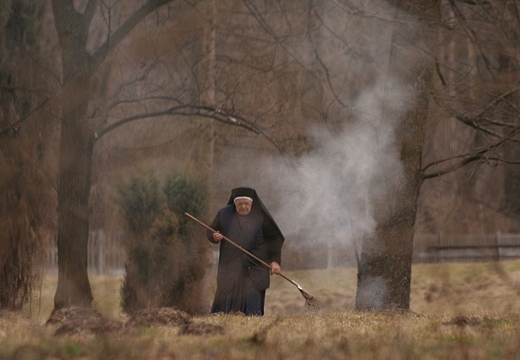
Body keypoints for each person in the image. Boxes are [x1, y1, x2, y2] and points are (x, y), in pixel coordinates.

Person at [207, 187, 285, 316]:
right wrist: (214, 236)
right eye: (239, 204)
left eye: (246, 204)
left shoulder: (261, 216)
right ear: (234, 204)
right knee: (226, 300)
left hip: (255, 266)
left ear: (252, 203)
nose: (243, 207)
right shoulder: (224, 214)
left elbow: (275, 238)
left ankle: (252, 318)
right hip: (230, 265)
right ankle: (223, 317)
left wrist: (275, 261)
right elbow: (210, 231)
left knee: (252, 305)